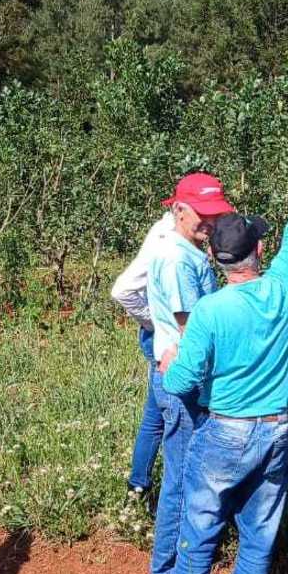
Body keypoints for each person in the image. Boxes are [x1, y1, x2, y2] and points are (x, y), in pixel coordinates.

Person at [163, 122, 288, 574]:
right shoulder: (281, 288)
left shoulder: (209, 311)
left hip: (223, 431)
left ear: (217, 258)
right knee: (259, 535)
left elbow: (180, 384)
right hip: (275, 429)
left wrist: (171, 362)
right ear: (259, 250)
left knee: (199, 532)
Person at [145, 172, 234, 574]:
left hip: (180, 377)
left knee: (185, 476)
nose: (210, 223)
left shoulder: (187, 251)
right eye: (204, 214)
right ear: (179, 209)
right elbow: (190, 331)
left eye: (215, 215)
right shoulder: (179, 259)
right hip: (182, 382)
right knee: (181, 481)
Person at [111, 209, 174, 506]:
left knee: (155, 415)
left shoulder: (168, 233)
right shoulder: (165, 238)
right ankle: (166, 497)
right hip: (165, 339)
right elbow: (123, 290)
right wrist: (154, 320)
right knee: (173, 417)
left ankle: (138, 488)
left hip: (162, 336)